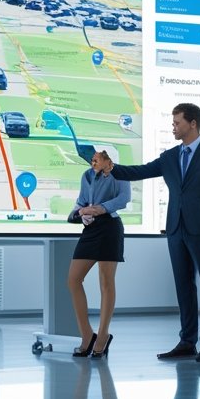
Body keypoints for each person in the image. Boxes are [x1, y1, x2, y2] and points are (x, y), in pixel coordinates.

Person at [109, 103, 200, 362]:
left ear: (193, 124)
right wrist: (111, 168)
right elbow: (139, 171)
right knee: (183, 287)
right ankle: (187, 341)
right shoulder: (169, 157)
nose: (173, 127)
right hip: (176, 230)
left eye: (177, 123)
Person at [68, 146, 131, 358]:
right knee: (73, 280)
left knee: (106, 282)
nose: (93, 160)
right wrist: (80, 213)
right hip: (91, 228)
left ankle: (103, 335)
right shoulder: (86, 175)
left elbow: (123, 199)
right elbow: (81, 200)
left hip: (110, 228)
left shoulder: (120, 173)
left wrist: (99, 208)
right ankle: (87, 334)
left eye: (98, 157)